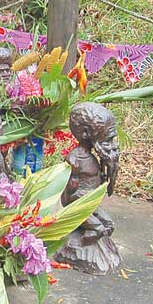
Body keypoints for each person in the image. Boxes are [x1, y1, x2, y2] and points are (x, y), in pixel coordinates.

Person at [55, 102, 121, 274]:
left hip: (91, 201)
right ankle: (82, 241)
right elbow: (68, 189)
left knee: (108, 224)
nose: (112, 144)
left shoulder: (92, 157)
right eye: (107, 138)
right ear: (85, 133)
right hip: (80, 200)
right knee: (95, 225)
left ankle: (96, 234)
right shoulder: (75, 158)